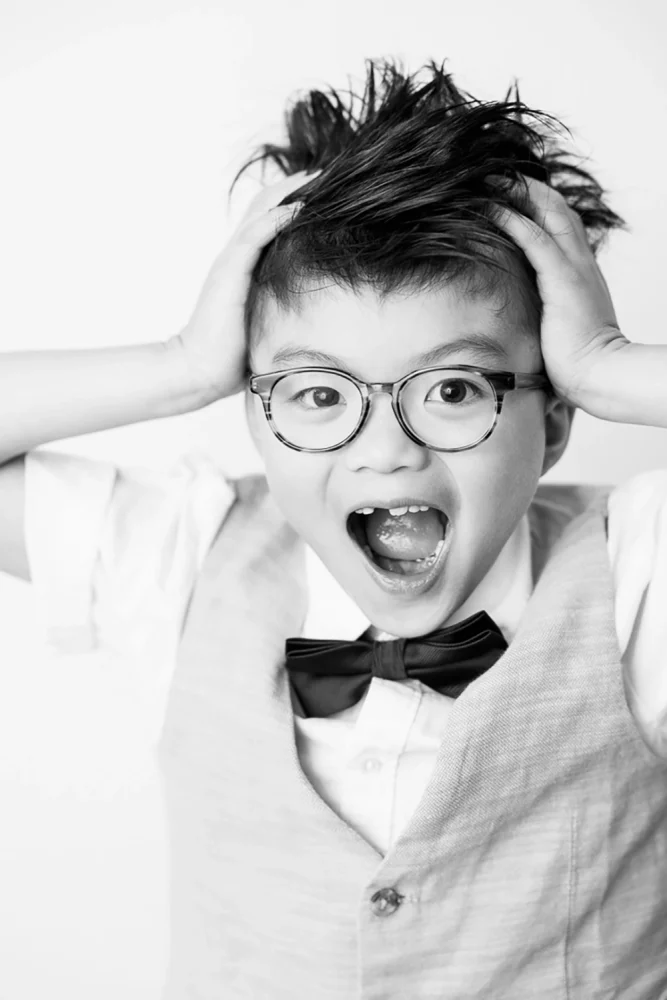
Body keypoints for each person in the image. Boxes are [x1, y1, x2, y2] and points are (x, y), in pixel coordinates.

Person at [1, 59, 666, 998]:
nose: (384, 452)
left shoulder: (635, 580)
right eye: (318, 394)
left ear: (553, 421)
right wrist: (180, 364)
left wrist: (608, 367)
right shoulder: (186, 559)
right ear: (254, 414)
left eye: (450, 390)